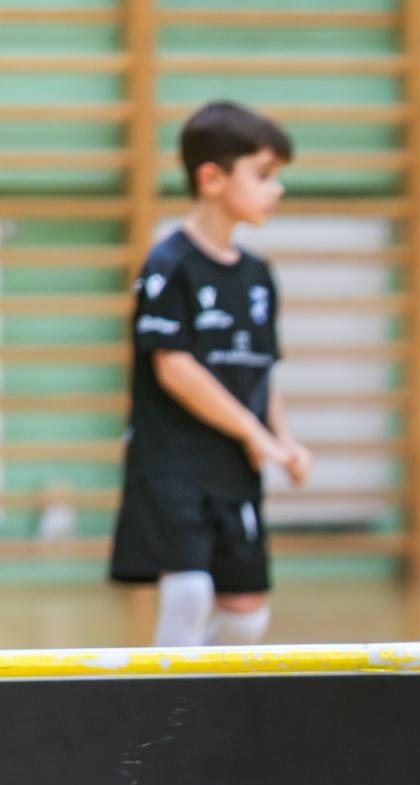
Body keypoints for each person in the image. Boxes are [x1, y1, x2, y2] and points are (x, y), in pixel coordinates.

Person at [111, 101, 311, 646]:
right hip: (173, 465)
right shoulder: (169, 265)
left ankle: (204, 716)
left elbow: (264, 370)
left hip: (232, 472)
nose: (277, 190)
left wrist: (284, 442)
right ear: (212, 178)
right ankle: (167, 722)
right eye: (264, 175)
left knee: (247, 613)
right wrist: (256, 435)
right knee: (190, 592)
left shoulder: (258, 275)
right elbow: (175, 368)